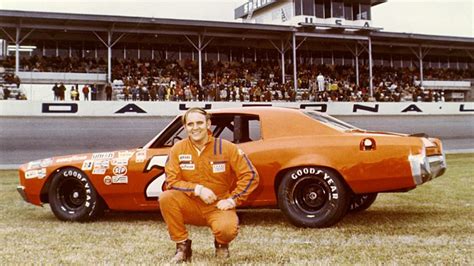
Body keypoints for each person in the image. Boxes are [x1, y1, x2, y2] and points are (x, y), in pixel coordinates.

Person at [160, 107, 259, 263]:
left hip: (218, 205)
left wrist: (233, 200)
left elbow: (250, 175)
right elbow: (171, 181)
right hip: (190, 203)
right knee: (166, 198)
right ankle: (182, 246)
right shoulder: (178, 149)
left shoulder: (227, 147)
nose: (195, 128)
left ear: (208, 124)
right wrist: (197, 189)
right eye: (190, 124)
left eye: (199, 123)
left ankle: (221, 244)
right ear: (185, 127)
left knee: (227, 230)